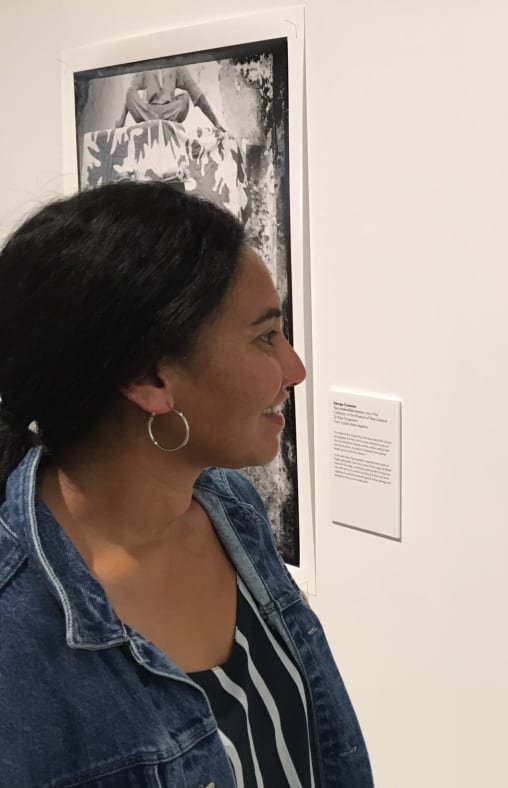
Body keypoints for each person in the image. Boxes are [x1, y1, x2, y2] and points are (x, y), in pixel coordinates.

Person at [0, 182, 373, 785]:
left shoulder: (231, 510)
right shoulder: (16, 625)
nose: (295, 369)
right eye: (265, 336)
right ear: (151, 378)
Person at [121, 66, 226, 133]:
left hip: (170, 112)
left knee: (185, 97)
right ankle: (155, 121)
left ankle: (158, 121)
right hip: (148, 112)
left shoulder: (176, 66)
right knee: (130, 92)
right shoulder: (146, 65)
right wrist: (121, 121)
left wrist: (215, 122)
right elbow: (131, 91)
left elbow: (197, 94)